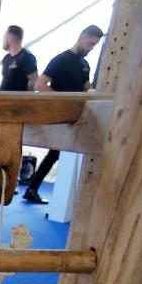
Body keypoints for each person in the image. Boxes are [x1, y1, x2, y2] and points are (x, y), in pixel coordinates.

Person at [23, 25, 103, 204]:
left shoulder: (84, 64)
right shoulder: (61, 60)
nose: (91, 48)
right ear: (81, 37)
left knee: (56, 154)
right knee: (55, 153)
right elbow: (40, 85)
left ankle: (32, 188)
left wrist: (95, 93)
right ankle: (32, 188)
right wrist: (61, 100)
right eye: (90, 44)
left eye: (94, 45)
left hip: (78, 116)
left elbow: (86, 86)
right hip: (60, 116)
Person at [0, 25, 37, 92]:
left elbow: (34, 81)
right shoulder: (6, 58)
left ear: (10, 38)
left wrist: (25, 97)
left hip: (18, 98)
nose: (2, 40)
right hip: (3, 97)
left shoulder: (27, 57)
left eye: (4, 37)